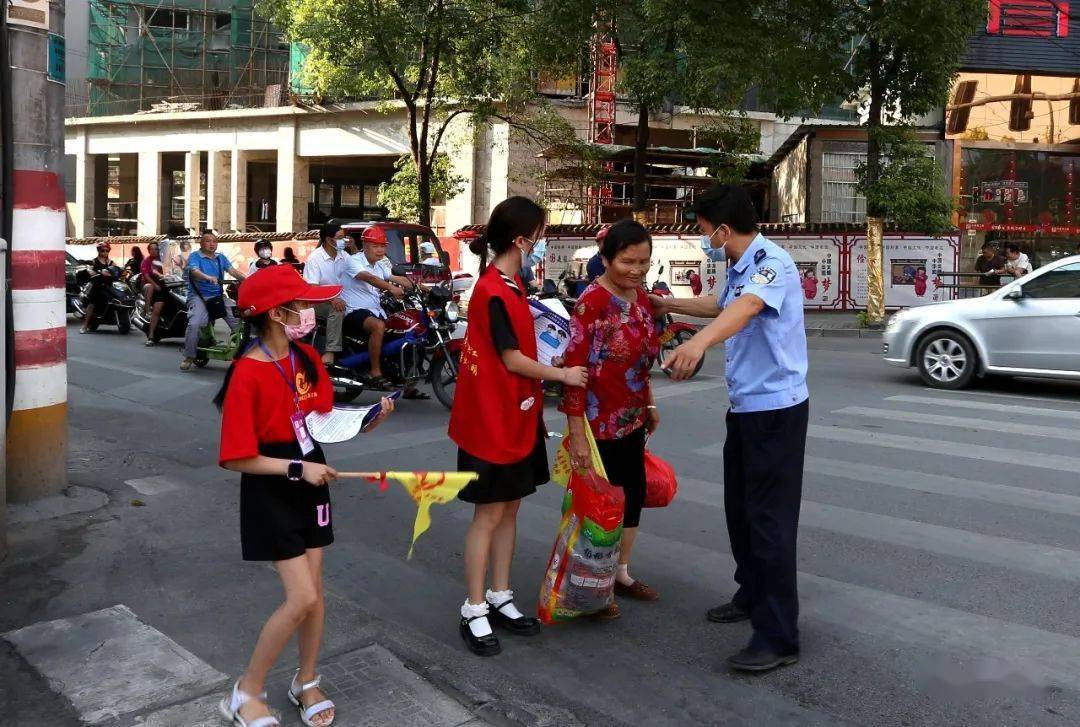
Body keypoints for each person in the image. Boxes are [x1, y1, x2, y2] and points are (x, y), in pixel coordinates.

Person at [215, 263, 393, 727]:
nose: (310, 308)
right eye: (301, 303)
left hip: (310, 480)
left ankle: (306, 679)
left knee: (316, 593)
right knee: (300, 599)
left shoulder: (304, 358)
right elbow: (236, 457)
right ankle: (246, 691)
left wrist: (363, 421)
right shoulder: (246, 375)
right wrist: (298, 468)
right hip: (272, 486)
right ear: (277, 313)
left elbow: (319, 418)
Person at [655, 184, 809, 673]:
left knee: (769, 521)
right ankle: (752, 593)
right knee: (740, 511)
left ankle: (778, 636)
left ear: (723, 229)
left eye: (703, 232)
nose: (703, 240)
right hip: (746, 409)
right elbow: (722, 303)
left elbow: (746, 309)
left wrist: (696, 345)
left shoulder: (772, 262)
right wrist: (668, 307)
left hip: (775, 413)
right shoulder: (739, 267)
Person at [448, 196, 588, 657]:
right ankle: (473, 607)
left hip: (516, 414)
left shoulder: (512, 286)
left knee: (510, 509)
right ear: (521, 240)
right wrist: (564, 374)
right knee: (488, 513)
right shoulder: (492, 290)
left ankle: (500, 595)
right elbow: (510, 358)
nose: (542, 245)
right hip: (490, 421)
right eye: (541, 236)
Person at [562, 219, 661, 620]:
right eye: (627, 261)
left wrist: (649, 403)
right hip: (597, 421)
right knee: (598, 504)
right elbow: (574, 369)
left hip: (633, 417)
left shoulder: (641, 298)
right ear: (605, 259)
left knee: (631, 497)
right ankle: (585, 586)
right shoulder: (592, 302)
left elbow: (642, 359)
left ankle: (619, 573)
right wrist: (577, 436)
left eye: (644, 262)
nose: (637, 270)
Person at [340, 226, 417, 392]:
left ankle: (404, 380)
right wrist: (391, 288)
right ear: (365, 245)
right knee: (378, 326)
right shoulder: (354, 260)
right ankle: (375, 372)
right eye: (376, 246)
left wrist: (425, 289)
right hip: (354, 311)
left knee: (403, 328)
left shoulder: (380, 265)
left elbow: (399, 278)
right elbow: (369, 278)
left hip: (375, 311)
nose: (380, 250)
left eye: (383, 246)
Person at [182, 231, 247, 372]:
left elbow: (233, 271)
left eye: (214, 241)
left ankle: (241, 351)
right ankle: (189, 356)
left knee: (240, 319)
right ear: (201, 243)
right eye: (208, 241)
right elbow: (194, 271)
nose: (212, 244)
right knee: (194, 324)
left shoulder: (220, 258)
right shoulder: (195, 256)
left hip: (217, 297)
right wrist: (207, 277)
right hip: (199, 297)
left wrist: (247, 280)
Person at [303, 223, 349, 366]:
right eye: (340, 238)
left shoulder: (344, 255)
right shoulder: (315, 258)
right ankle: (330, 351)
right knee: (337, 309)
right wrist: (332, 298)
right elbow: (313, 288)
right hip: (318, 302)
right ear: (329, 240)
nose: (344, 241)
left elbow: (357, 269)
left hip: (341, 299)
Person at [80, 242, 116, 334]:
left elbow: (117, 269)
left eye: (107, 250)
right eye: (102, 250)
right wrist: (93, 271)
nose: (105, 252)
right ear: (99, 251)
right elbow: (89, 269)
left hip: (108, 285)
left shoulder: (111, 262)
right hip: (97, 285)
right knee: (92, 302)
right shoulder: (94, 261)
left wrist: (124, 271)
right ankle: (85, 325)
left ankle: (127, 321)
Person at [141, 242, 167, 346]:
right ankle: (151, 336)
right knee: (157, 309)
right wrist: (155, 285)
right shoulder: (146, 261)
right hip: (153, 286)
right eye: (152, 249)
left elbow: (172, 271)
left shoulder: (163, 260)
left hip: (165, 285)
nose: (154, 251)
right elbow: (147, 276)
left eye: (156, 249)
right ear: (148, 250)